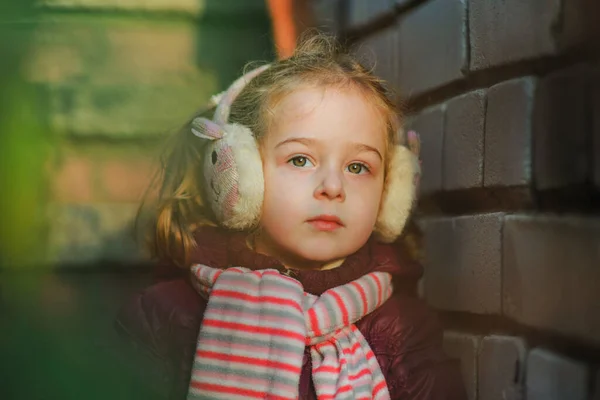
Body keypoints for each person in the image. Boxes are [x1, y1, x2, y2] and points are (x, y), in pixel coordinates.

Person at [116, 33, 467, 400]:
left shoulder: (405, 332)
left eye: (358, 167)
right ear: (237, 170)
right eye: (300, 159)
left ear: (391, 194)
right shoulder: (165, 317)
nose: (333, 187)